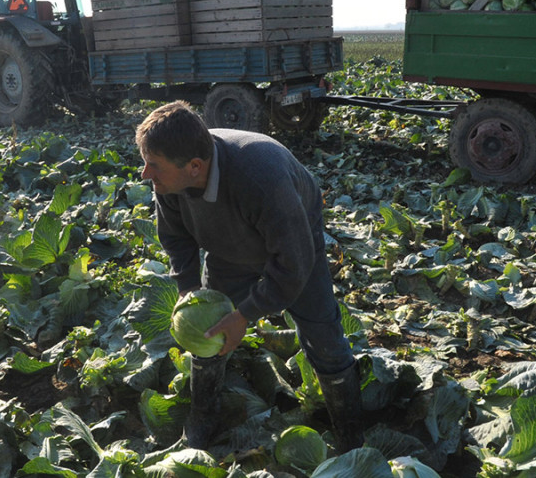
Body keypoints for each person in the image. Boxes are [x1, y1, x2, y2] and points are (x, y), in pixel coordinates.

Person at [135, 100, 364, 452]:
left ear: (195, 167)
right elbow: (176, 237)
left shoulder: (260, 176)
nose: (145, 174)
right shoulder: (170, 177)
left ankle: (350, 436)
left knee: (325, 339)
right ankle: (202, 419)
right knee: (209, 332)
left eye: (153, 166)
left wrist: (244, 316)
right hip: (228, 248)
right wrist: (190, 290)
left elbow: (294, 265)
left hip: (295, 240)